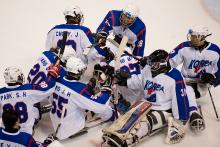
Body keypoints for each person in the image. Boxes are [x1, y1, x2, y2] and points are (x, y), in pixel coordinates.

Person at [102, 49, 190, 146]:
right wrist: (125, 82)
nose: (151, 66)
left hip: (164, 109)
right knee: (129, 116)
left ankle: (126, 141)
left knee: (144, 122)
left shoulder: (175, 77)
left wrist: (179, 121)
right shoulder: (148, 69)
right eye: (150, 64)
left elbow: (180, 100)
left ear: (163, 64)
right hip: (146, 104)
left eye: (154, 65)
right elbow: (140, 80)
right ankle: (116, 132)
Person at [49, 56, 115, 140]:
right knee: (105, 108)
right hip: (70, 128)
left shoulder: (57, 79)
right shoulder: (79, 89)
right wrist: (107, 90)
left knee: (78, 100)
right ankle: (114, 116)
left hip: (56, 121)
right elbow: (100, 105)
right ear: (78, 72)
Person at [0, 64, 60, 134]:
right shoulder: (28, 89)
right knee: (35, 105)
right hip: (26, 132)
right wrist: (51, 75)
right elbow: (46, 88)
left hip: (6, 132)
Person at [45, 6, 114, 65]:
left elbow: (48, 52)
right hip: (76, 72)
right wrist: (106, 54)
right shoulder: (83, 30)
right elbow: (93, 53)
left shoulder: (53, 30)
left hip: (57, 70)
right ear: (77, 17)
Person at [169, 26, 220, 99]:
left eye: (194, 37)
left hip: (201, 83)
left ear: (202, 37)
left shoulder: (214, 50)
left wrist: (213, 77)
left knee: (185, 95)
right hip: (184, 80)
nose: (191, 39)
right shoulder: (184, 46)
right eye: (191, 36)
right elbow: (171, 61)